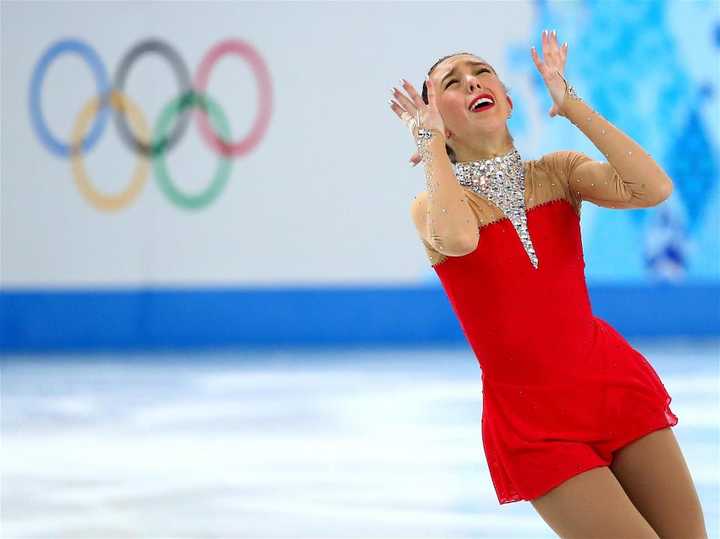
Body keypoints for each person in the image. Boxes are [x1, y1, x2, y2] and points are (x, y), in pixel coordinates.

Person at [388, 29, 708, 538]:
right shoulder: (431, 207)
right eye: (452, 82)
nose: (472, 83)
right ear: (436, 121)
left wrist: (571, 105)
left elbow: (653, 187)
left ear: (509, 100)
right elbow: (458, 240)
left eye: (481, 72)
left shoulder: (558, 173)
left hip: (612, 385)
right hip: (534, 424)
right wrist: (430, 149)